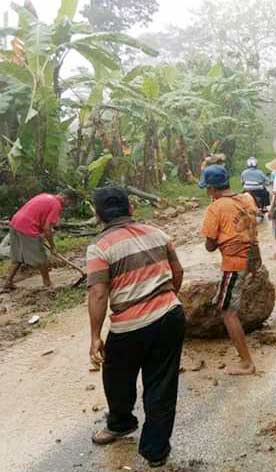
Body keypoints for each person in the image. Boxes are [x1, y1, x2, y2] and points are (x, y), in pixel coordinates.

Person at [86, 187, 185, 469]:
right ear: (131, 208)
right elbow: (178, 272)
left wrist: (95, 337)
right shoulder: (158, 233)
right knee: (161, 384)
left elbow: (98, 294)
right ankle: (155, 451)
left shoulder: (100, 247)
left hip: (129, 325)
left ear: (98, 215)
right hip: (170, 316)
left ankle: (120, 423)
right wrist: (167, 298)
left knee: (117, 378)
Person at [199, 165, 258, 376]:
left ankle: (246, 363)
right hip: (251, 260)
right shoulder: (247, 199)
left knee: (228, 312)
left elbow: (209, 245)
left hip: (233, 264)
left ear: (212, 189)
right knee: (229, 308)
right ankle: (244, 357)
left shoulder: (216, 208)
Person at [4, 191, 73, 290]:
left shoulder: (45, 195)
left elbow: (38, 217)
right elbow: (47, 228)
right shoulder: (56, 205)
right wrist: (53, 246)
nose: (67, 205)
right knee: (41, 258)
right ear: (66, 199)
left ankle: (8, 281)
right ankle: (48, 284)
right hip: (27, 227)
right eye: (69, 203)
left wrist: (41, 233)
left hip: (15, 223)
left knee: (18, 257)